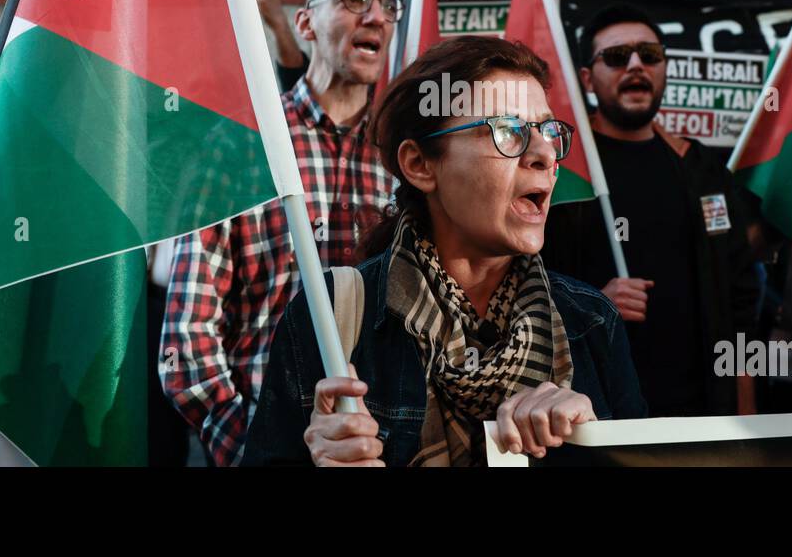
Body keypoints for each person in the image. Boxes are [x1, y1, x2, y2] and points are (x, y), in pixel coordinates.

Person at [242, 36, 645, 466]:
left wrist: (596, 442)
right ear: (419, 165)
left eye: (548, 130)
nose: (545, 153)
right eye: (507, 130)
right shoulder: (331, 319)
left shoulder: (592, 321)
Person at [161, 0, 397, 466]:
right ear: (305, 22)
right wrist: (256, 447)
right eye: (354, 0)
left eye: (388, 5)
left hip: (383, 450)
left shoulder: (407, 157)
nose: (376, 17)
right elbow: (188, 339)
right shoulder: (240, 146)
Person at [540, 5, 760, 417]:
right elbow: (517, 284)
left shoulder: (701, 170)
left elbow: (739, 301)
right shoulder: (560, 169)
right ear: (587, 78)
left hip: (697, 419)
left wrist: (744, 418)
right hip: (593, 416)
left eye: (650, 55)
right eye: (618, 57)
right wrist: (592, 304)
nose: (636, 66)